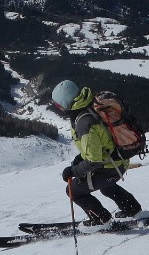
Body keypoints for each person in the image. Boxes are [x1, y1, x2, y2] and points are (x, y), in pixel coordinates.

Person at [50, 79, 143, 225]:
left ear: (65, 103)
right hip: (119, 160)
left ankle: (101, 219)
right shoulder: (90, 105)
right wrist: (80, 158)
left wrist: (73, 171)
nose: (58, 107)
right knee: (106, 187)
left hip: (110, 167)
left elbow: (94, 160)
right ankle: (132, 209)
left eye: (58, 104)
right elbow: (99, 144)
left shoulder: (83, 122)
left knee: (73, 191)